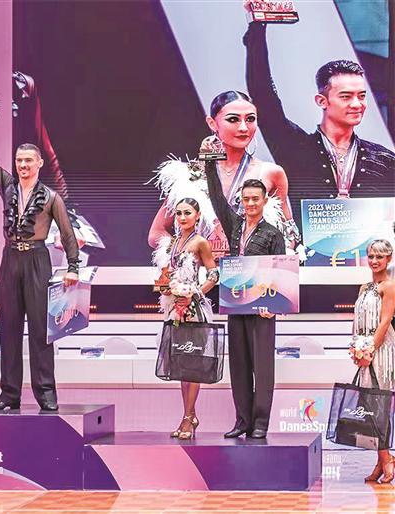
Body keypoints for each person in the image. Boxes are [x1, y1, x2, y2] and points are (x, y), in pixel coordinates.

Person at [0, 105, 79, 412]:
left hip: (37, 260)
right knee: (8, 329)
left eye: (28, 160)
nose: (22, 165)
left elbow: (68, 234)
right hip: (10, 260)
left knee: (39, 331)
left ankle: (46, 393)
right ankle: (9, 394)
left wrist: (73, 267)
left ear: (39, 163)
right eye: (19, 160)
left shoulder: (51, 197)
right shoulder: (7, 185)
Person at [244, 21, 395, 229]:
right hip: (308, 250)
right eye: (346, 96)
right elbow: (263, 98)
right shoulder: (295, 148)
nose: (357, 104)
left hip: (371, 250)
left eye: (361, 96)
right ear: (322, 101)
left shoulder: (384, 160)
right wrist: (257, 30)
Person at [149, 91, 298, 257]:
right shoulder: (188, 176)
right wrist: (189, 253)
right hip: (202, 270)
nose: (244, 127)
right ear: (212, 123)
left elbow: (289, 235)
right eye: (233, 119)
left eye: (250, 119)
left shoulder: (272, 173)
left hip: (249, 271)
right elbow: (156, 233)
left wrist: (258, 255)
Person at [205, 162, 286, 438]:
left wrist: (273, 307)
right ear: (241, 200)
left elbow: (280, 270)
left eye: (255, 199)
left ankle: (260, 422)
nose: (250, 203)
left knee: (262, 366)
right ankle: (242, 421)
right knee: (238, 365)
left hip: (262, 307)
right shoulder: (234, 225)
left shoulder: (273, 233)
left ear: (265, 201)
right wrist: (209, 164)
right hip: (236, 303)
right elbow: (217, 198)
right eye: (246, 199)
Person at [153, 198, 219, 440]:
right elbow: (166, 275)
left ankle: (188, 418)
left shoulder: (200, 242)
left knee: (193, 366)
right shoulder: (171, 243)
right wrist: (165, 287)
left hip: (193, 311)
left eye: (187, 213)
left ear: (197, 215)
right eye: (179, 213)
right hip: (174, 309)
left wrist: (195, 292)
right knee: (181, 366)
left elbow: (214, 274)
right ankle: (189, 415)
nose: (182, 217)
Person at [350, 239, 395, 483]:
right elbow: (357, 321)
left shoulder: (390, 286)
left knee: (380, 406)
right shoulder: (364, 287)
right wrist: (355, 347)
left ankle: (386, 459)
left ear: (389, 259)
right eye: (371, 256)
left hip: (382, 351)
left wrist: (369, 350)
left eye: (379, 256)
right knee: (369, 406)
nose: (374, 261)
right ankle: (381, 460)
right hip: (364, 351)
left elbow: (385, 322)